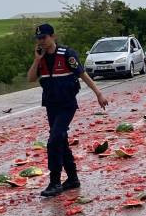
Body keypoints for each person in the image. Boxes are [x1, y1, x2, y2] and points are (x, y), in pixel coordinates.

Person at [26, 23, 109, 197]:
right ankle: (72, 178)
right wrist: (36, 60)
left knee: (53, 140)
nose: (41, 41)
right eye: (39, 38)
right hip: (51, 105)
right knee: (61, 140)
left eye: (44, 37)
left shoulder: (67, 55)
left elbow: (83, 74)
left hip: (67, 105)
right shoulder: (41, 59)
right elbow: (31, 79)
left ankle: (54, 182)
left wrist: (98, 94)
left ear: (53, 37)